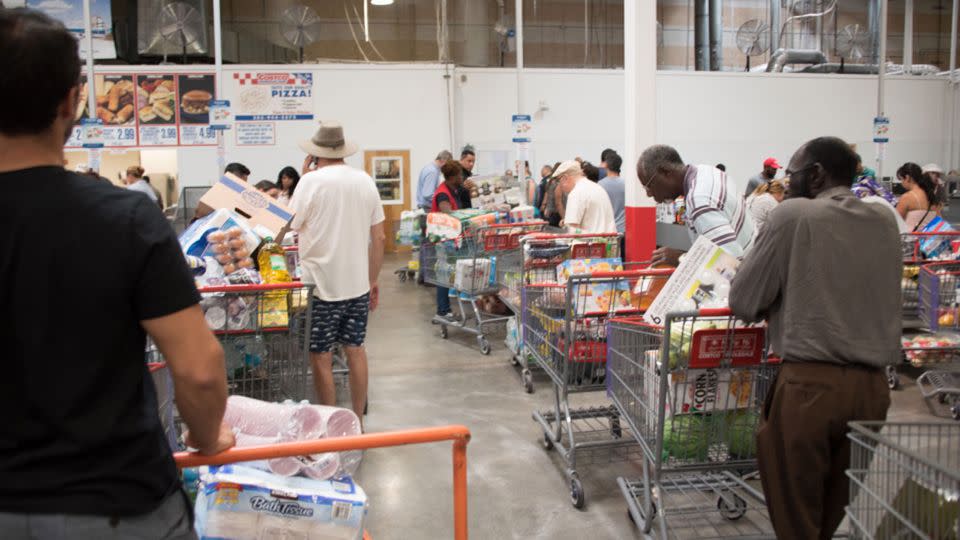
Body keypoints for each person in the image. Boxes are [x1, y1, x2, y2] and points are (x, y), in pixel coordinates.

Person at [0, 8, 233, 536]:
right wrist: (207, 438)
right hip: (114, 503)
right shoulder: (125, 218)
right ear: (71, 100)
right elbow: (197, 368)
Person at [729, 136, 898, 540]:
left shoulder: (793, 215)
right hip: (873, 389)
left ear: (817, 174)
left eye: (792, 174)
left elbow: (744, 299)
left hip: (809, 387)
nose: (786, 183)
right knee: (829, 513)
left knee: (796, 515)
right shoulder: (884, 218)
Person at [290, 121, 385, 421]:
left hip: (320, 285)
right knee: (355, 348)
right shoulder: (365, 181)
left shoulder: (310, 182)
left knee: (321, 355)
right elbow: (380, 237)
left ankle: (332, 426)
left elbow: (289, 223)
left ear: (316, 154)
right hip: (357, 285)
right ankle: (357, 420)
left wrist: (304, 178)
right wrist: (372, 279)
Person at [637, 145, 755, 266]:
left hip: (749, 275)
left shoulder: (699, 201)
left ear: (665, 172)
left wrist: (681, 258)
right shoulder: (707, 171)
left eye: (648, 186)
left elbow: (729, 265)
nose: (649, 194)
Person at [431, 161, 465, 321]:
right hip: (444, 239)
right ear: (452, 177)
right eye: (459, 174)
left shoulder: (453, 190)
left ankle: (445, 310)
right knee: (444, 275)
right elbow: (447, 212)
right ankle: (442, 311)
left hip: (450, 238)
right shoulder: (443, 193)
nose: (462, 177)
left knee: (446, 274)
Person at [558, 160, 617, 234]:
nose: (560, 186)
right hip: (608, 242)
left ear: (565, 178)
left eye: (559, 181)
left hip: (591, 244)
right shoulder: (598, 188)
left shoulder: (575, 194)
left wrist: (566, 227)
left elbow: (572, 231)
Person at [896, 163, 940, 231]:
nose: (902, 183)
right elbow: (939, 219)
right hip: (929, 240)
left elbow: (896, 222)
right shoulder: (931, 195)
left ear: (907, 178)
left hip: (911, 239)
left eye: (901, 179)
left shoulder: (907, 197)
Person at [598, 153, 625, 235]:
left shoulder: (600, 185)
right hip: (623, 229)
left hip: (607, 230)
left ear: (606, 165)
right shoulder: (626, 184)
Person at [540, 163, 563, 227]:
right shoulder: (557, 183)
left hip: (549, 212)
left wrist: (544, 206)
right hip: (556, 213)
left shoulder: (550, 181)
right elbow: (558, 202)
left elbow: (546, 196)